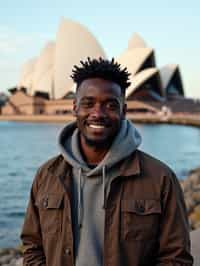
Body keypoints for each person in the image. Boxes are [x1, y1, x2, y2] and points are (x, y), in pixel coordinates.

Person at [21, 58, 193, 266]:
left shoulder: (160, 178)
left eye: (110, 105)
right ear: (74, 107)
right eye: (88, 103)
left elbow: (176, 258)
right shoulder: (47, 175)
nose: (98, 113)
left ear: (124, 111)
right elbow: (32, 247)